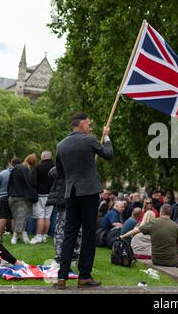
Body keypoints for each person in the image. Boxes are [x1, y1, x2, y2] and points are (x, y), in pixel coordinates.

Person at [54, 112, 114, 290]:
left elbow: (60, 172)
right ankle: (84, 276)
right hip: (88, 192)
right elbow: (109, 154)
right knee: (88, 233)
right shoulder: (89, 140)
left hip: (70, 192)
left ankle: (62, 277)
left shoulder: (61, 145)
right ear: (80, 125)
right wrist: (106, 136)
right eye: (88, 124)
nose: (90, 127)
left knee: (69, 234)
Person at [47, 167, 81, 268]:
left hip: (70, 198)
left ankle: (64, 259)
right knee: (72, 230)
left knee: (63, 229)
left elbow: (52, 172)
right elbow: (51, 172)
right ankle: (68, 259)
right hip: (73, 198)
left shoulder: (67, 162)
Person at [7, 154, 38, 245]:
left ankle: (20, 235)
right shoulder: (29, 170)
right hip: (23, 197)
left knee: (18, 217)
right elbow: (32, 184)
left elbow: (10, 183)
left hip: (12, 196)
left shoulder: (15, 168)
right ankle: (17, 236)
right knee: (22, 218)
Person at [30, 151, 55, 244]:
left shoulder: (38, 167)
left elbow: (33, 182)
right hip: (51, 195)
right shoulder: (55, 167)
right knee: (47, 216)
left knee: (40, 216)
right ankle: (44, 236)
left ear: (43, 156)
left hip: (41, 195)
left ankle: (38, 236)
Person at [0, 156, 21, 234]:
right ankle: (15, 235)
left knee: (2, 217)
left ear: (11, 163)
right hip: (15, 197)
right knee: (14, 217)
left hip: (3, 197)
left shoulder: (3, 173)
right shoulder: (20, 173)